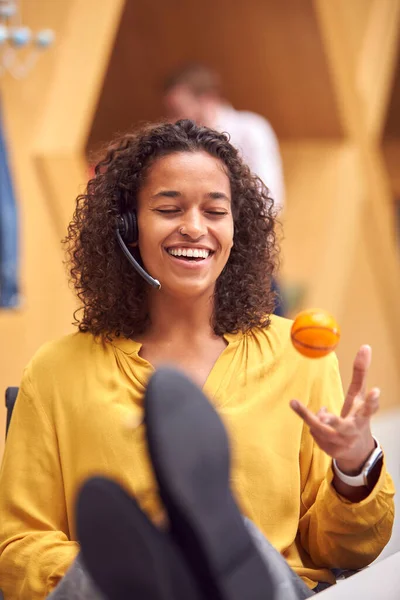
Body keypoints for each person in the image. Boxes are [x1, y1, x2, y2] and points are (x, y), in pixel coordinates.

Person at [0, 120, 395, 600]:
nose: (194, 226)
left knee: (246, 542)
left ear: (236, 228)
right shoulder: (56, 371)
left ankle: (220, 555)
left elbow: (340, 553)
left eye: (215, 210)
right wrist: (140, 572)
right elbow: (17, 547)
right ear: (126, 227)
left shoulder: (300, 356)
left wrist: (354, 468)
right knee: (121, 563)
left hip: (268, 588)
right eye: (168, 208)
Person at [163, 63, 286, 314]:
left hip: (246, 257)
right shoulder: (178, 141)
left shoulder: (251, 129)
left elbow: (269, 198)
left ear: (207, 99)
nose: (173, 119)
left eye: (178, 110)